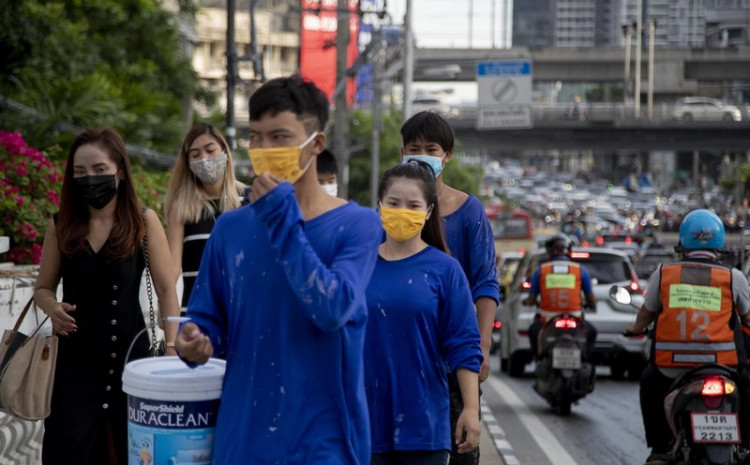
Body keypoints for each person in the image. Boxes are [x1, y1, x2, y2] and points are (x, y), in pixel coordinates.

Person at [174, 75, 383, 464]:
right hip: (243, 440)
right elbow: (208, 320)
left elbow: (332, 308)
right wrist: (195, 341)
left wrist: (281, 217)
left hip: (325, 444)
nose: (264, 149)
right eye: (256, 137)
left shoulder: (359, 226)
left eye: (279, 137)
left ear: (315, 144)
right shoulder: (230, 229)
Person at [33, 127, 180, 465]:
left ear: (120, 171)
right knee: (67, 451)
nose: (90, 179)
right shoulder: (61, 225)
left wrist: (171, 347)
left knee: (133, 454)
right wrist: (52, 306)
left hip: (131, 363)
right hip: (74, 369)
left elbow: (165, 287)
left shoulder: (144, 221)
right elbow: (42, 287)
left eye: (100, 170)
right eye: (80, 172)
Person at [365, 160, 483, 464]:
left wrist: (470, 410)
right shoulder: (356, 265)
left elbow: (464, 344)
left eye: (413, 204)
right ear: (379, 205)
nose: (402, 210)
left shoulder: (446, 270)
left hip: (425, 426)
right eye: (393, 202)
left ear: (429, 211)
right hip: (363, 423)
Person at [400, 111, 499, 465]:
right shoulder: (393, 212)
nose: (422, 154)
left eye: (431, 148)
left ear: (447, 156)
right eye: (414, 148)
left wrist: (483, 347)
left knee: (459, 448)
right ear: (402, 153)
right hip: (404, 356)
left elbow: (486, 283)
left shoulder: (469, 211)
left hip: (454, 360)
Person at [626, 209, 750, 465]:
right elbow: (748, 319)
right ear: (719, 242)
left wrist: (633, 329)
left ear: (683, 241)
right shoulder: (732, 277)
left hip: (670, 368)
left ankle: (659, 449)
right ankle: (746, 443)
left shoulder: (664, 274)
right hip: (723, 368)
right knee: (746, 390)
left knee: (649, 384)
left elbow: (646, 315)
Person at [164, 123, 246, 312]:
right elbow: (173, 266)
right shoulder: (182, 207)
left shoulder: (249, 199)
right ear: (188, 163)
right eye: (195, 155)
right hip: (197, 314)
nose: (204, 159)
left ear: (225, 152)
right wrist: (164, 299)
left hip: (242, 311)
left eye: (210, 150)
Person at [523, 234, 597, 359]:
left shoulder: (541, 270)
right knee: (592, 332)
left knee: (533, 331)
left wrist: (528, 302)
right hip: (575, 318)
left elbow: (531, 299)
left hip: (547, 319)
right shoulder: (580, 270)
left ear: (549, 251)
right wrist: (590, 305)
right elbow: (591, 298)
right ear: (568, 250)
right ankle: (585, 359)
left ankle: (538, 360)